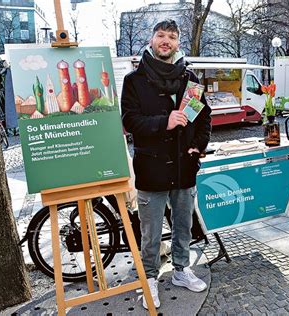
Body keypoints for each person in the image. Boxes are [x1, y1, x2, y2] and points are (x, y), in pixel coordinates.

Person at [121, 19, 212, 309]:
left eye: (171, 37)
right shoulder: (134, 80)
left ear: (177, 43)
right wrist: (165, 122)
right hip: (151, 168)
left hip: (185, 167)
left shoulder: (191, 80)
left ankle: (181, 270)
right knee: (151, 233)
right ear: (152, 39)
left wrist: (199, 145)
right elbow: (129, 121)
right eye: (161, 35)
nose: (166, 41)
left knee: (183, 225)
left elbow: (204, 118)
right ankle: (149, 279)